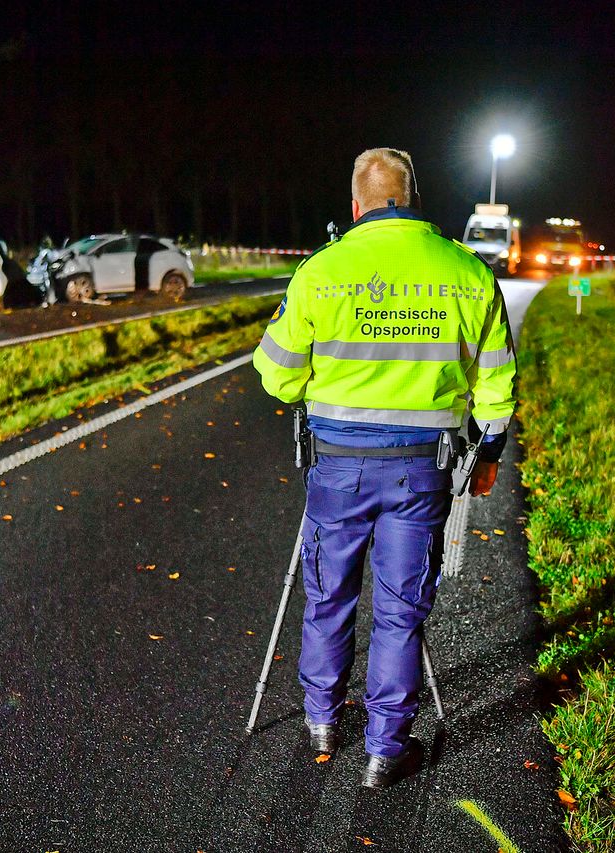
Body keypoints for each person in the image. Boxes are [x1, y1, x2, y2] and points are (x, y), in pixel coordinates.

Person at [252, 148, 516, 789]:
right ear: (414, 195)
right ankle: (384, 749)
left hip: (337, 469)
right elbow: (498, 387)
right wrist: (486, 459)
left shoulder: (321, 272)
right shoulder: (468, 273)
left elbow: (278, 380)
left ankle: (321, 722)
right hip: (419, 472)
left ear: (356, 204)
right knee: (400, 612)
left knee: (328, 598)